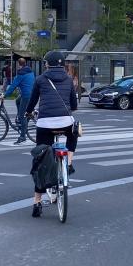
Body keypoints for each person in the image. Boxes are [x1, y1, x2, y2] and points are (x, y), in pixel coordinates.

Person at [26, 50, 78, 217]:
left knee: (40, 161)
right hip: (65, 122)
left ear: (47, 64)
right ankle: (69, 163)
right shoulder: (69, 79)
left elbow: (32, 101)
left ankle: (37, 201)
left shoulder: (41, 79)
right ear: (63, 64)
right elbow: (74, 104)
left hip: (45, 124)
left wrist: (28, 113)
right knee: (73, 134)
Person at [4, 58, 35, 144]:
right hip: (31, 95)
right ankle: (20, 119)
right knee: (17, 100)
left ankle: (22, 137)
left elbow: (13, 86)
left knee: (22, 116)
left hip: (26, 96)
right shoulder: (31, 72)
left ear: (18, 64)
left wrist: (5, 95)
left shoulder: (21, 74)